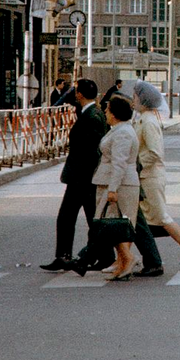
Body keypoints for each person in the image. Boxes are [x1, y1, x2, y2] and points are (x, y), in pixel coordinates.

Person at [40, 79, 110, 272]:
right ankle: (104, 256)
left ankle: (66, 256)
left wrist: (87, 174)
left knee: (67, 217)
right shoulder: (90, 112)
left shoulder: (92, 116)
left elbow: (93, 149)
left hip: (82, 177)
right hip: (84, 177)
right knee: (90, 219)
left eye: (75, 91)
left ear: (79, 94)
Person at [133, 81, 180, 273]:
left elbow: (155, 152)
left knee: (162, 218)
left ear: (144, 99)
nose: (133, 100)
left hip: (150, 178)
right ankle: (130, 258)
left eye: (136, 97)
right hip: (144, 178)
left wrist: (136, 166)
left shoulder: (148, 121)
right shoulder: (143, 118)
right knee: (138, 220)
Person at [89, 95, 141, 281]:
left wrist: (113, 189)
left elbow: (120, 163)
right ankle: (122, 262)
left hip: (120, 184)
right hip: (113, 182)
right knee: (115, 225)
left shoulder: (123, 133)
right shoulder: (119, 130)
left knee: (114, 225)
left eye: (108, 109)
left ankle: (127, 259)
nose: (105, 112)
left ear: (115, 113)